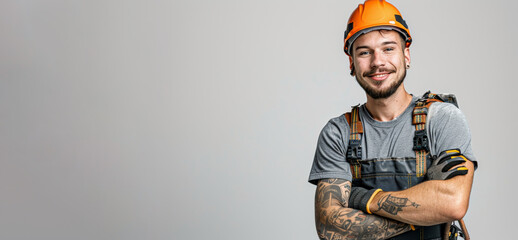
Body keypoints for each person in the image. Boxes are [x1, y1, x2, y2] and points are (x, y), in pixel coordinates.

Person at [307, 0, 477, 239]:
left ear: (406, 54)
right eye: (365, 52)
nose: (377, 61)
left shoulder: (442, 119)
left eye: (388, 49)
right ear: (351, 63)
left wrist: (363, 198)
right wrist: (426, 213)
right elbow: (330, 227)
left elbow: (453, 205)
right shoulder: (338, 133)